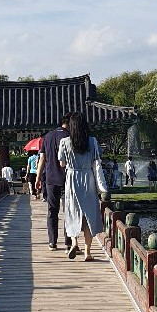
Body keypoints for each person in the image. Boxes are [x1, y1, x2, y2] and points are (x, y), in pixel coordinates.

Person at [58, 112, 108, 261]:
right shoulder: (92, 141)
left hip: (72, 178)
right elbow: (96, 160)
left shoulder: (65, 142)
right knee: (88, 216)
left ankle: (74, 242)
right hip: (88, 178)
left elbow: (62, 163)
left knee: (72, 212)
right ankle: (88, 252)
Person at [35, 113, 72, 251]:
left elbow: (42, 159)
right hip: (67, 178)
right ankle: (68, 242)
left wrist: (38, 178)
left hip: (50, 179)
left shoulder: (47, 137)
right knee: (68, 210)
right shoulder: (69, 137)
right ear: (69, 124)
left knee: (52, 210)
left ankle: (52, 242)